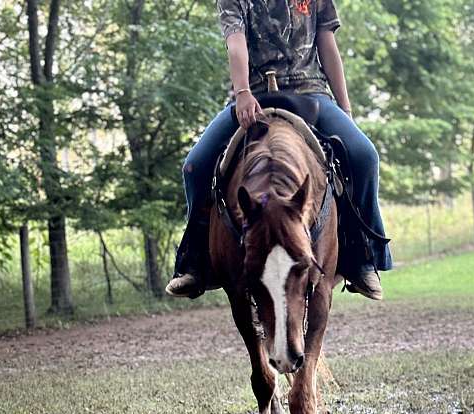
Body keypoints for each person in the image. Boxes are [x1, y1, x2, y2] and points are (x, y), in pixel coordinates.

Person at [165, 0, 392, 301]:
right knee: (194, 166)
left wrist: (344, 107)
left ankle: (364, 257)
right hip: (254, 96)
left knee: (364, 156)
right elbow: (236, 44)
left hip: (310, 92)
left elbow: (327, 46)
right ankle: (193, 262)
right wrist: (243, 92)